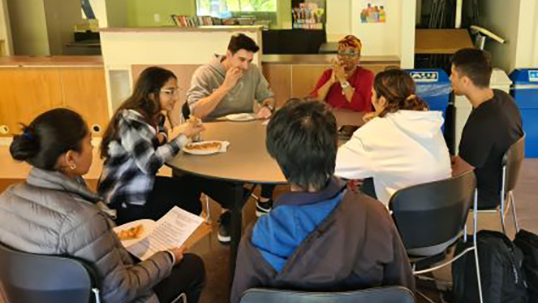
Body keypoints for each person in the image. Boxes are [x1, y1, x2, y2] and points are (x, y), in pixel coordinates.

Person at [0, 108, 206, 303]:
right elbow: (121, 291)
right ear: (70, 158)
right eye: (89, 142)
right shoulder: (83, 219)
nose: (93, 148)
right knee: (193, 266)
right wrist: (168, 258)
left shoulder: (5, 200)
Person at [230, 99, 415, 303]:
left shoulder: (259, 238)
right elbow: (403, 292)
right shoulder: (375, 215)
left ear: (278, 158)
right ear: (335, 148)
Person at [186, 33, 276, 243]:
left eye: (249, 61)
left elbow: (268, 96)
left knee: (274, 140)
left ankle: (265, 199)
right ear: (228, 55)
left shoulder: (252, 71)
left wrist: (267, 106)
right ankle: (229, 211)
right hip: (213, 133)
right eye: (241, 60)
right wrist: (226, 86)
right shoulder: (205, 73)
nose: (245, 66)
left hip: (245, 129)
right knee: (228, 158)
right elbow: (196, 111)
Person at [98, 66, 205, 225]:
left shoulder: (152, 115)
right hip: (123, 196)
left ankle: (164, 239)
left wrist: (163, 133)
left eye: (176, 91)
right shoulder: (132, 120)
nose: (175, 97)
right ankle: (157, 242)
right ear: (150, 93)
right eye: (169, 92)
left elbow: (160, 132)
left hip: (140, 183)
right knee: (191, 203)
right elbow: (150, 163)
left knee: (191, 188)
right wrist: (184, 136)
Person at [334, 68, 451, 207]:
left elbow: (332, 166)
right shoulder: (428, 121)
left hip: (402, 220)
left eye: (372, 94)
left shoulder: (374, 132)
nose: (371, 99)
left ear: (382, 101)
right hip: (443, 214)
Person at [450, 48, 523, 209]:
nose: (450, 79)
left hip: (481, 192)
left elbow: (459, 174)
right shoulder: (503, 98)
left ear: (465, 81)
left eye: (453, 74)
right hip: (499, 183)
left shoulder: (482, 122)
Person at [311, 35, 374, 112]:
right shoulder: (328, 74)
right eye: (343, 52)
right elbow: (313, 102)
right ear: (338, 56)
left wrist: (343, 80)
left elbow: (360, 106)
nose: (346, 57)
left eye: (352, 53)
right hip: (331, 120)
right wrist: (330, 82)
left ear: (359, 57)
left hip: (357, 121)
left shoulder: (366, 75)